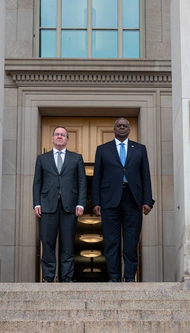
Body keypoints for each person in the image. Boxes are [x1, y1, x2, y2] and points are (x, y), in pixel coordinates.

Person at [91, 118, 154, 282]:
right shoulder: (103, 149)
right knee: (111, 242)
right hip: (109, 200)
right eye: (118, 126)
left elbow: (145, 176)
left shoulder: (140, 149)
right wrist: (96, 202)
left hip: (133, 199)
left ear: (129, 130)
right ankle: (113, 276)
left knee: (131, 242)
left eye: (124, 126)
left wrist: (147, 200)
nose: (121, 128)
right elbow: (97, 177)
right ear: (113, 129)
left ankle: (129, 277)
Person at [33, 126, 86, 282]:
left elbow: (82, 182)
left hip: (69, 206)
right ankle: (48, 277)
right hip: (47, 206)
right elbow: (37, 182)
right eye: (57, 134)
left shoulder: (76, 158)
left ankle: (67, 277)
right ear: (52, 138)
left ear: (67, 139)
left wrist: (81, 204)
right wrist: (36, 203)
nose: (59, 136)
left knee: (68, 244)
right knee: (47, 242)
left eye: (63, 135)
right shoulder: (42, 158)